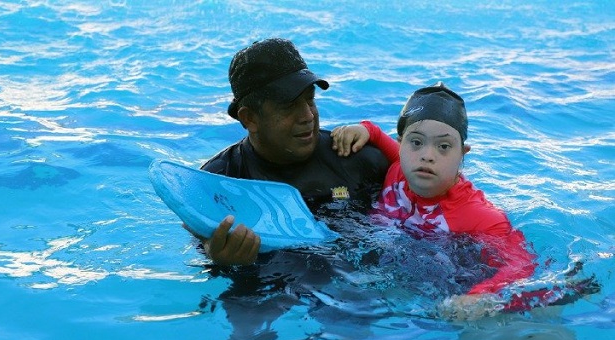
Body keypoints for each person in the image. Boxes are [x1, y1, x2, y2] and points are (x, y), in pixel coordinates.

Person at [330, 82, 538, 315]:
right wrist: (364, 129)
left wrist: (480, 294)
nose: (427, 156)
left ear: (462, 153)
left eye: (444, 147)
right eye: (416, 142)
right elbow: (377, 135)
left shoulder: (480, 216)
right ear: (400, 144)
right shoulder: (400, 166)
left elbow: (521, 262)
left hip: (439, 284)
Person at [195, 38, 389, 266]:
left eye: (310, 100)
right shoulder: (217, 182)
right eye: (289, 106)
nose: (308, 115)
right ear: (250, 118)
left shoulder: (358, 160)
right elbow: (203, 249)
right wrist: (220, 260)